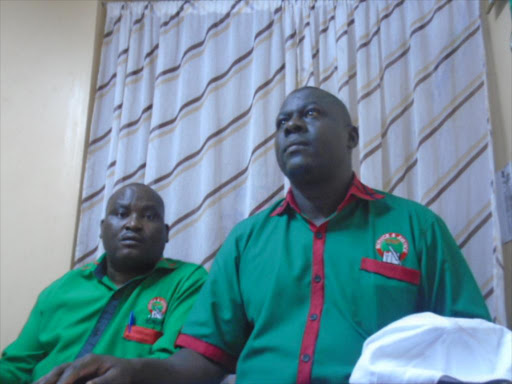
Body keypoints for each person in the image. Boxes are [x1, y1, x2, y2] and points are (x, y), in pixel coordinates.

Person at [35, 87, 491, 384]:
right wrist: (133, 370)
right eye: (281, 122)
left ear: (352, 137)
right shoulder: (247, 240)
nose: (291, 125)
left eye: (310, 114)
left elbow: (476, 349)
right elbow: (203, 361)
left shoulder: (415, 227)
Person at [0, 183, 208, 384]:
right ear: (102, 229)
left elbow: (176, 367)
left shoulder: (187, 282)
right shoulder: (62, 288)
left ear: (166, 233)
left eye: (149, 216)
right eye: (121, 213)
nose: (133, 224)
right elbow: (17, 367)